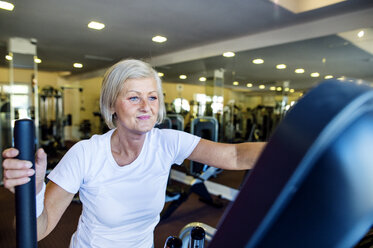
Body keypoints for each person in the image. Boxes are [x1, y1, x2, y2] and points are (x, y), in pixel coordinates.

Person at [2, 59, 266, 247]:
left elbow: (235, 156)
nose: (146, 106)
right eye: (133, 97)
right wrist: (34, 192)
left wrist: (300, 150)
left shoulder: (167, 142)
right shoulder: (86, 154)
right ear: (111, 106)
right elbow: (37, 231)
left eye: (152, 97)